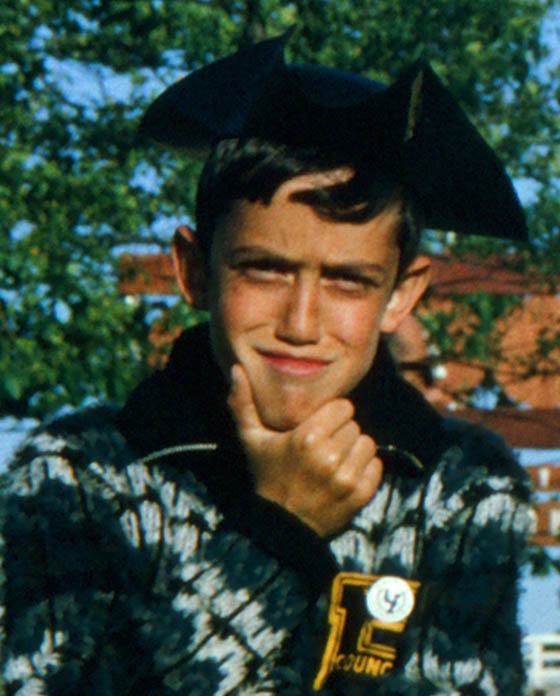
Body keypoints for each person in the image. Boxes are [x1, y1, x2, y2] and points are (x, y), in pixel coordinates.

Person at [1, 33, 533, 695]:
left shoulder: (462, 487)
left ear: (401, 295)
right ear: (195, 271)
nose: (300, 324)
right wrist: (278, 534)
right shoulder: (81, 474)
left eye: (348, 281)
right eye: (264, 270)